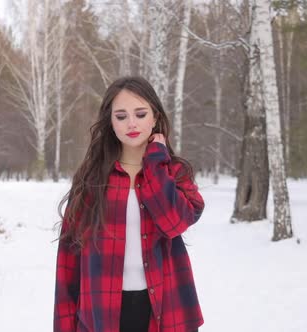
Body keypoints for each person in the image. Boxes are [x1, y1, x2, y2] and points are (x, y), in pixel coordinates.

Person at [53, 76, 205, 332]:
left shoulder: (174, 172)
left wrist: (155, 164)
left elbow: (174, 223)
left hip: (165, 309)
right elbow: (68, 264)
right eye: (121, 116)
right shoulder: (93, 179)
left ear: (155, 117)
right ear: (110, 122)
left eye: (140, 113)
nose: (131, 123)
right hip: (102, 312)